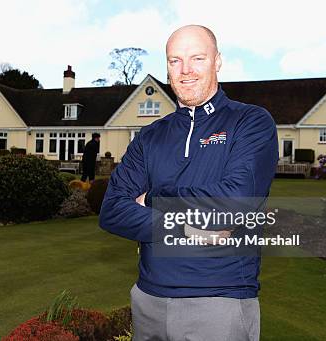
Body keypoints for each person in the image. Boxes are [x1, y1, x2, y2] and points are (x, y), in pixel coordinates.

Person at [99, 25, 278, 341]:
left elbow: (233, 205)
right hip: (148, 300)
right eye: (174, 61)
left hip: (220, 301)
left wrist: (153, 199)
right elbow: (112, 210)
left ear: (217, 61)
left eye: (197, 58)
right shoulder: (150, 136)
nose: (185, 71)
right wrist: (189, 229)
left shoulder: (250, 122)